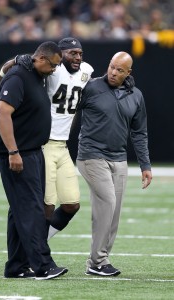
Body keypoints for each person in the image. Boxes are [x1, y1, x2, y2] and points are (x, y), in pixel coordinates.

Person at [0, 37, 94, 240]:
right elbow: (6, 72)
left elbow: (93, 86)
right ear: (60, 54)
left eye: (80, 53)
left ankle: (40, 247)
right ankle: (38, 255)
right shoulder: (52, 68)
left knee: (71, 204)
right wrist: (17, 59)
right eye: (72, 53)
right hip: (44, 144)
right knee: (47, 205)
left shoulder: (87, 70)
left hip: (63, 146)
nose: (77, 57)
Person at [0, 41, 68, 280]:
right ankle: (43, 265)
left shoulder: (35, 72)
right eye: (53, 65)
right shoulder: (18, 77)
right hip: (18, 153)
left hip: (32, 150)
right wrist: (13, 152)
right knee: (32, 209)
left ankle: (16, 266)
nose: (54, 70)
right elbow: (2, 113)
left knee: (19, 211)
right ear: (42, 59)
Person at [76, 51, 152, 277]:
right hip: (91, 155)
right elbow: (67, 112)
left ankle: (100, 261)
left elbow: (139, 133)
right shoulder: (91, 87)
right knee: (107, 202)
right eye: (111, 66)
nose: (113, 72)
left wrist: (145, 165)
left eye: (120, 70)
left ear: (129, 72)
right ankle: (97, 261)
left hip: (119, 159)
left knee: (114, 211)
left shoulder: (136, 95)